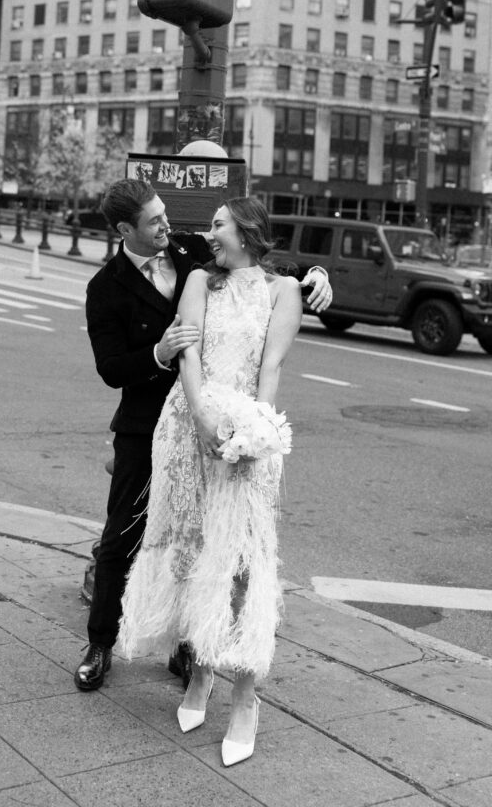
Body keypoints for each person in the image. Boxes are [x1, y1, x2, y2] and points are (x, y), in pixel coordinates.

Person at [74, 180, 332, 694]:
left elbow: (257, 262)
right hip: (150, 423)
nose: (168, 227)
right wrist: (159, 354)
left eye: (165, 215)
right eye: (154, 221)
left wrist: (317, 273)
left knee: (201, 537)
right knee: (123, 535)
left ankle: (186, 646)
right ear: (127, 230)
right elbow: (110, 368)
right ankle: (100, 644)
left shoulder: (191, 249)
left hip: (218, 422)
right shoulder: (105, 287)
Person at [118, 197, 305, 767]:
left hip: (246, 432)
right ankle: (200, 675)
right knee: (198, 552)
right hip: (185, 425)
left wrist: (253, 432)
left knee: (245, 564)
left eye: (219, 224)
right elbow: (189, 355)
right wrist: (200, 416)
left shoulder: (283, 291)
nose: (210, 233)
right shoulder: (201, 279)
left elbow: (270, 368)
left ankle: (245, 697)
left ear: (246, 230)